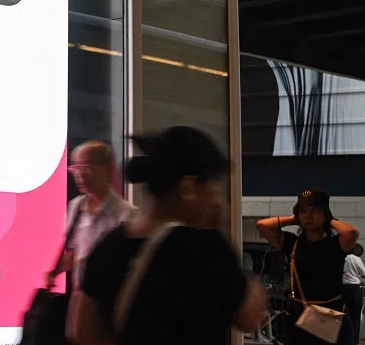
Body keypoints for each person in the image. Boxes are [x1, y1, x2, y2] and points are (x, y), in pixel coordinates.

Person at [67, 126, 267, 345]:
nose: (215, 198)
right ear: (188, 188)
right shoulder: (206, 249)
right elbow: (250, 317)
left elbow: (81, 331)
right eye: (212, 186)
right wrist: (222, 233)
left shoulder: (110, 245)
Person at [257, 189, 360, 345]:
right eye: (303, 211)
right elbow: (263, 225)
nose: (308, 216)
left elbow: (351, 233)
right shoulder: (294, 243)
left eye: (315, 211)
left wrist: (329, 219)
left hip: (332, 320)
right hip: (301, 320)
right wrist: (294, 219)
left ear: (325, 213)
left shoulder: (335, 244)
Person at [48, 140, 136, 292]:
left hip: (109, 298)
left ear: (108, 169)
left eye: (86, 167)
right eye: (76, 168)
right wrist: (54, 272)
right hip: (80, 296)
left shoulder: (126, 214)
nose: (80, 174)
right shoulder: (75, 207)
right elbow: (75, 253)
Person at [343, 244, 365, 345]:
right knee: (355, 316)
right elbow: (363, 273)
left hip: (341, 288)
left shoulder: (339, 257)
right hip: (355, 289)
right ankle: (353, 341)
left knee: (342, 316)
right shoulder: (356, 259)